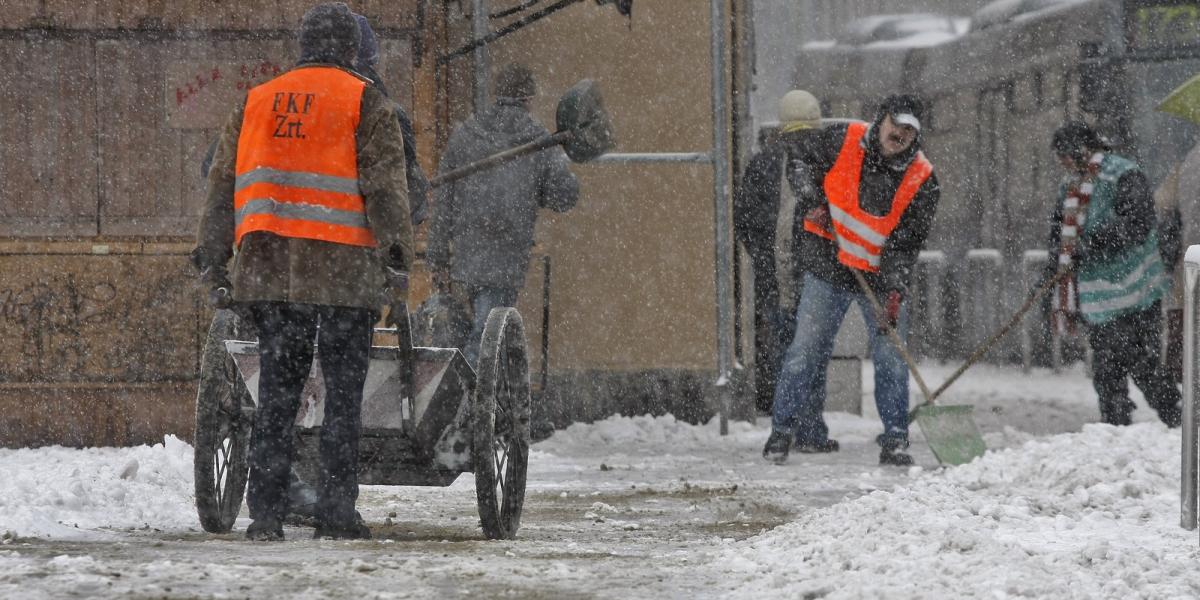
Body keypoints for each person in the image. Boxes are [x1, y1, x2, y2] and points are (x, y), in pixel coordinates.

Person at [192, 2, 413, 541]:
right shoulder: (367, 101)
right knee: (342, 398)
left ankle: (266, 515)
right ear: (349, 47)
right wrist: (397, 257)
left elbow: (222, 185)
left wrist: (213, 257)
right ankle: (336, 514)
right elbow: (385, 187)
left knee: (277, 396)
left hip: (269, 271)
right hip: (343, 274)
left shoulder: (256, 101)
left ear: (303, 44)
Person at [762, 94, 940, 467]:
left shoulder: (922, 179)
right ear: (882, 120)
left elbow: (906, 244)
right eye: (897, 125)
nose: (901, 134)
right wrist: (813, 199)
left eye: (910, 130)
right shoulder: (842, 139)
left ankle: (895, 440)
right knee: (805, 352)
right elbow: (798, 159)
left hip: (877, 277)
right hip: (828, 264)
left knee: (891, 358)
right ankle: (781, 433)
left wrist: (894, 290)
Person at [427, 63, 579, 367]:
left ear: (498, 93)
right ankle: (463, 399)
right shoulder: (536, 137)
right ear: (529, 97)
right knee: (486, 338)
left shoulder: (466, 133)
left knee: (476, 328)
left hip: (466, 252)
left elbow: (444, 197)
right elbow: (564, 196)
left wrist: (438, 252)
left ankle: (466, 394)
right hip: (507, 252)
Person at [1037, 121, 1180, 427]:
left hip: (1138, 288)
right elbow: (1058, 235)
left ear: (1083, 150)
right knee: (1106, 368)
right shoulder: (1070, 186)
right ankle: (1116, 426)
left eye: (1065, 154)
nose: (1062, 162)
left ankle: (1179, 419)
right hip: (1099, 296)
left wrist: (1093, 244)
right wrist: (1052, 273)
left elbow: (1139, 223)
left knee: (1141, 362)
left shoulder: (1123, 174)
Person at [733, 90, 823, 414]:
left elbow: (743, 219)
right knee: (812, 351)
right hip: (816, 276)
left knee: (784, 348)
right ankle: (809, 427)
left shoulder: (762, 162)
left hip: (773, 275)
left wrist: (762, 256)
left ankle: (784, 419)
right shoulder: (822, 161)